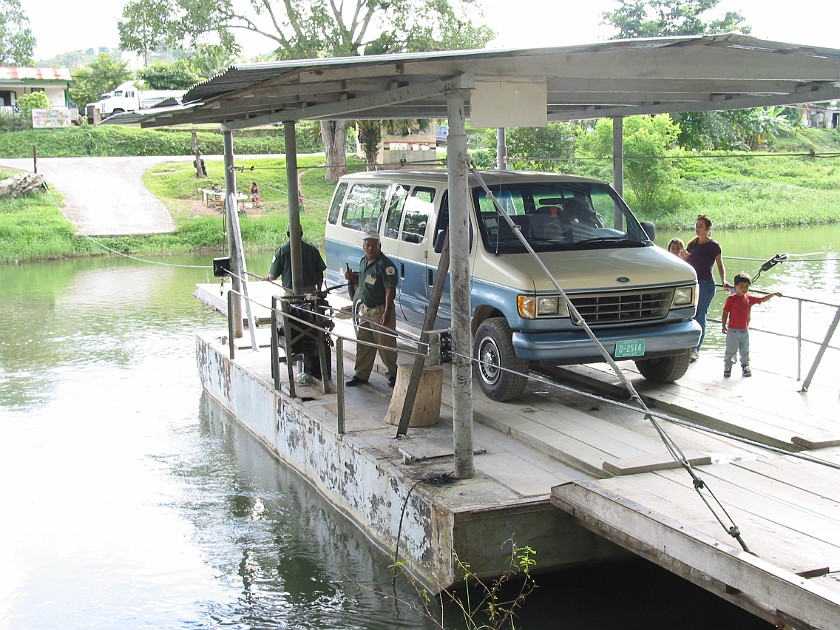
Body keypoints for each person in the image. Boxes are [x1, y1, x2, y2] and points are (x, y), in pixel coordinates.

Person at [344, 229, 399, 388]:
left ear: (379, 246)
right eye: (367, 245)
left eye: (373, 245)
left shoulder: (386, 265)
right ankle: (360, 374)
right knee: (363, 343)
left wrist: (387, 311)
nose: (370, 248)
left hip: (380, 309)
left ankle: (393, 374)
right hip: (366, 310)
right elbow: (363, 279)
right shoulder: (363, 261)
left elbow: (390, 289)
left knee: (385, 344)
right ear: (363, 247)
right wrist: (351, 277)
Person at [680, 214, 729, 362]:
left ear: (708, 229)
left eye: (700, 226)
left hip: (706, 284)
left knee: (700, 314)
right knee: (689, 314)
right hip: (693, 283)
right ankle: (688, 346)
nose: (697, 228)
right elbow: (690, 261)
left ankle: (696, 349)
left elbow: (720, 265)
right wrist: (684, 257)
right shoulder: (693, 243)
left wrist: (724, 280)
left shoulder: (714, 246)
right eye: (696, 225)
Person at [721, 273, 781, 377]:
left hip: (744, 330)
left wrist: (773, 294)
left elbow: (761, 299)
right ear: (735, 286)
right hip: (733, 330)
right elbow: (725, 312)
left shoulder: (749, 298)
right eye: (741, 286)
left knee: (745, 350)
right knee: (731, 349)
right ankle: (728, 366)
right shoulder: (731, 299)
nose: (744, 288)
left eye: (746, 286)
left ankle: (745, 365)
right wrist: (723, 325)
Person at [262, 226, 326, 296]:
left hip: (290, 293)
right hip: (310, 292)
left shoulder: (281, 251)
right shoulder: (313, 250)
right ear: (302, 234)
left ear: (288, 234)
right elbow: (320, 273)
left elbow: (273, 277)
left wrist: (266, 278)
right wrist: (319, 289)